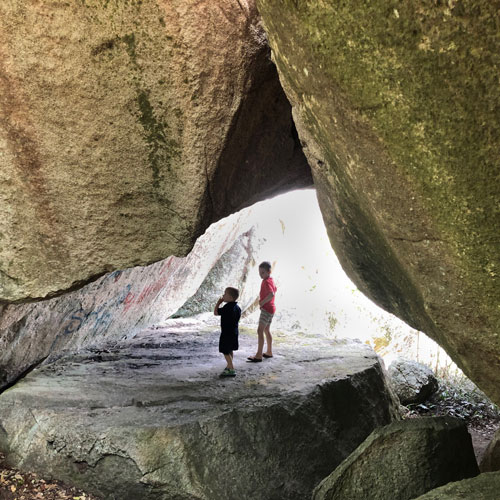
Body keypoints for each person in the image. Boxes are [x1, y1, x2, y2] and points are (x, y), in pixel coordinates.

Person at [248, 261, 277, 362]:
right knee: (266, 330)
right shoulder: (271, 280)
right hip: (271, 308)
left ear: (269, 271)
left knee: (260, 330)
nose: (261, 275)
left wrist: (262, 302)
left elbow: (271, 294)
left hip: (267, 309)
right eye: (260, 272)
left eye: (263, 272)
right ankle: (269, 351)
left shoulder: (266, 282)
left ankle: (259, 355)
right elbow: (275, 289)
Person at [214, 287, 241, 377]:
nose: (223, 295)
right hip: (234, 332)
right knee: (230, 350)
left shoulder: (227, 307)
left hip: (226, 333)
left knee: (225, 351)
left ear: (230, 297)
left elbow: (216, 312)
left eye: (225, 294)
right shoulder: (237, 308)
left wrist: (218, 303)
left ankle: (231, 368)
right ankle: (229, 366)